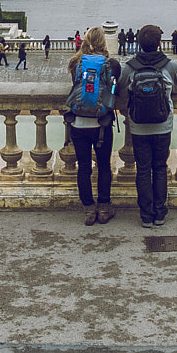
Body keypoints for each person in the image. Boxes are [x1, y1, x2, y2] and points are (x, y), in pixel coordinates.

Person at [123, 26, 177, 228]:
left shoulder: (130, 67)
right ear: (160, 43)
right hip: (162, 125)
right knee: (159, 168)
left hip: (138, 127)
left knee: (142, 170)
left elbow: (121, 90)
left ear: (138, 43)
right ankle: (160, 214)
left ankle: (145, 215)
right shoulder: (170, 66)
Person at [64, 27, 121, 226]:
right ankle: (104, 208)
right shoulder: (111, 64)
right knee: (104, 166)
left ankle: (89, 209)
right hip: (101, 125)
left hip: (78, 124)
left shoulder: (75, 63)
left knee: (84, 168)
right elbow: (115, 89)